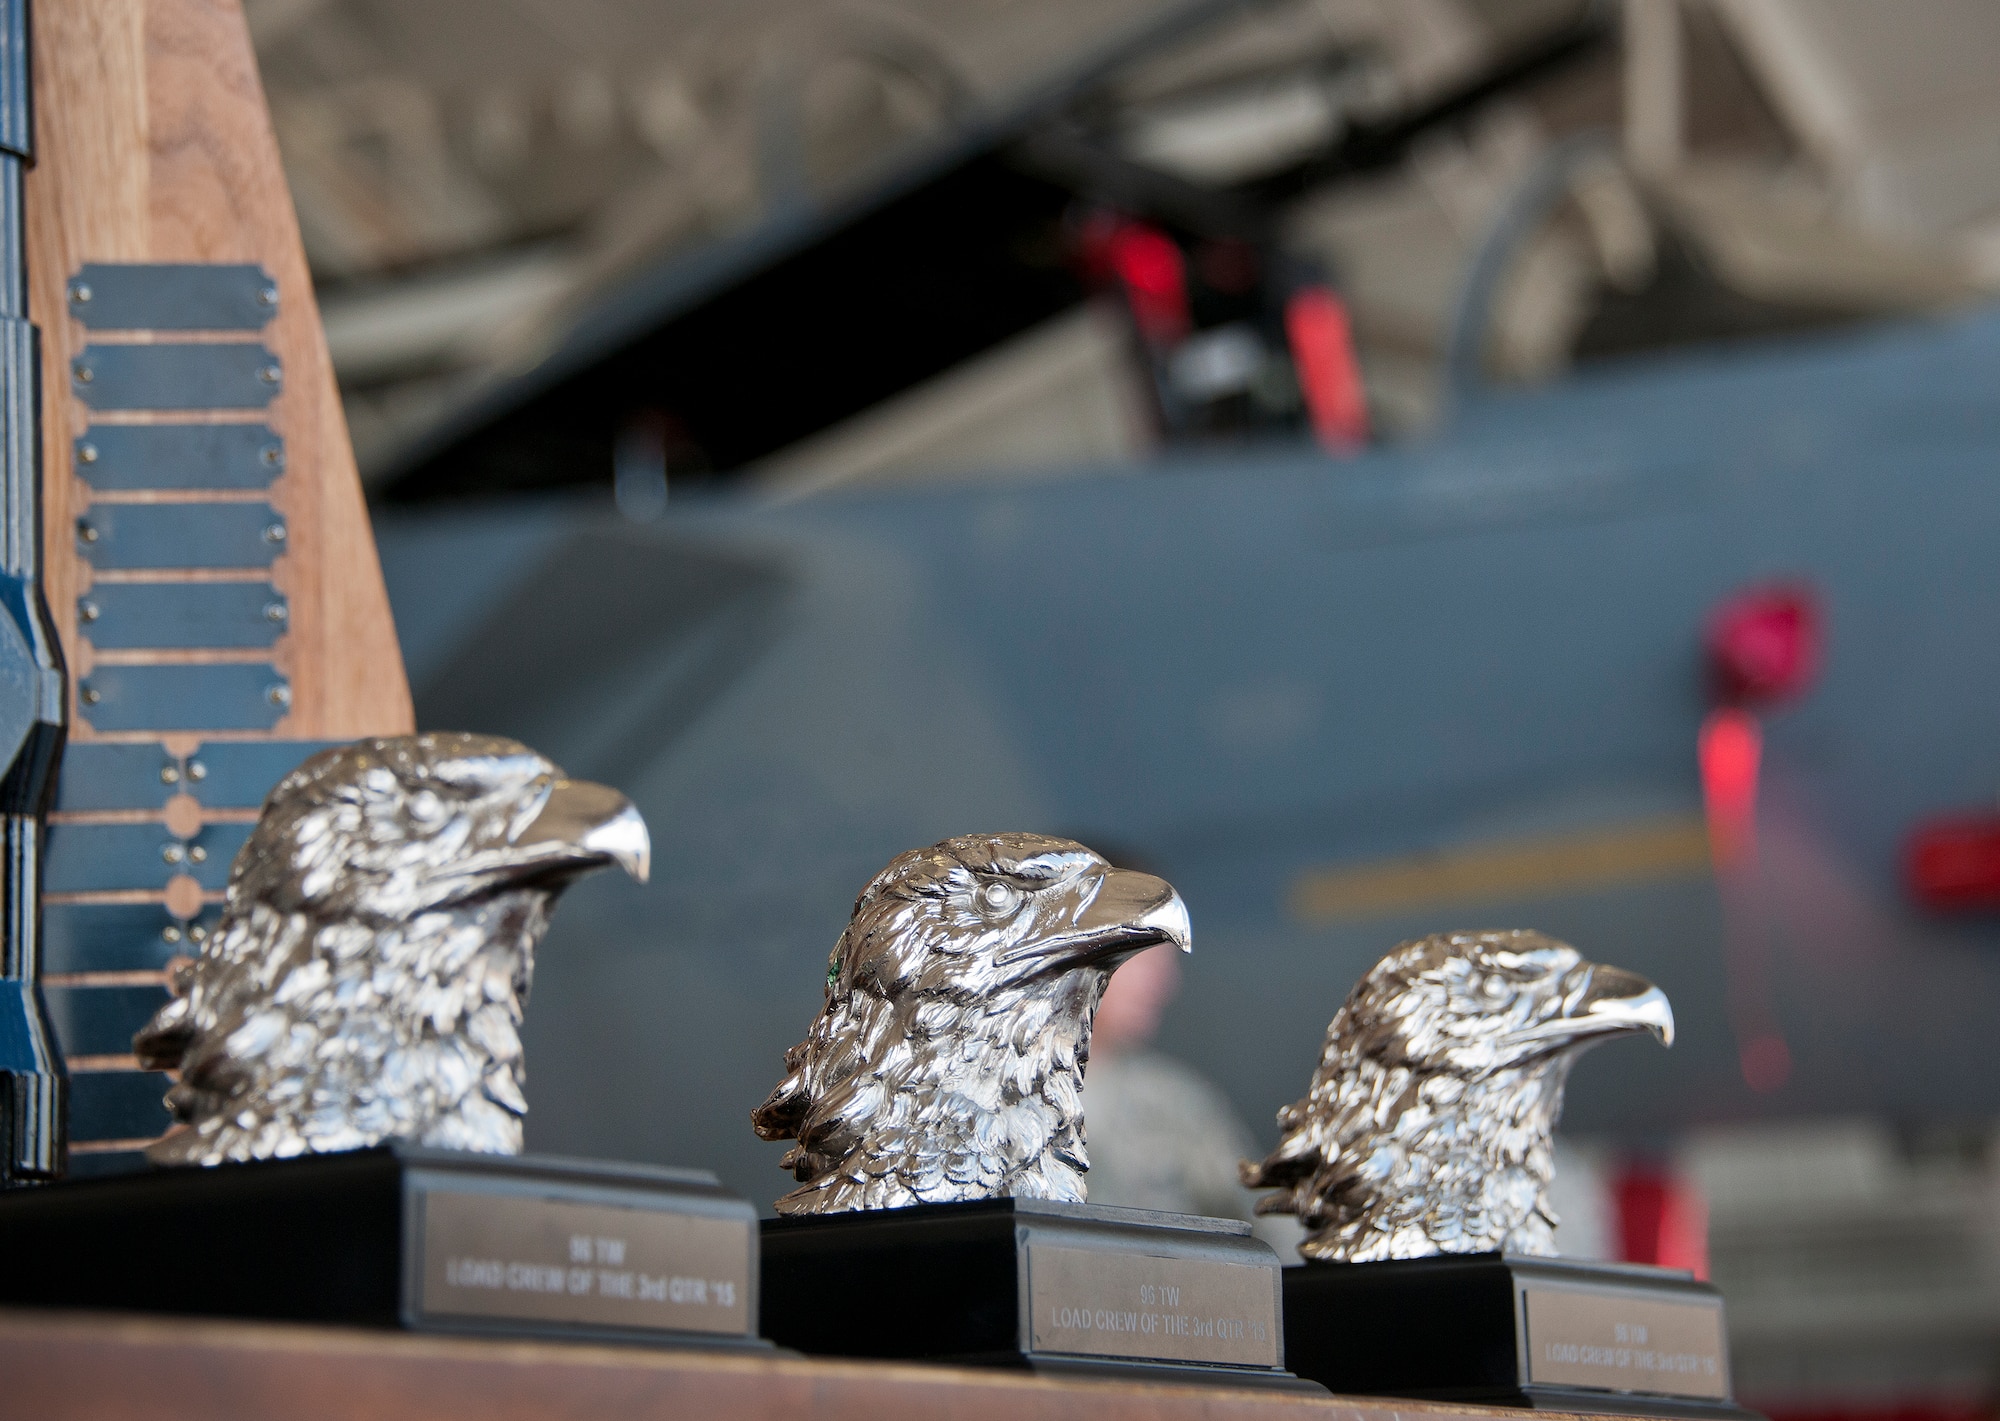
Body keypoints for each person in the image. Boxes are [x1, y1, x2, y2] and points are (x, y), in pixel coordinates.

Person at [1085, 941, 1304, 1260]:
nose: (1164, 983)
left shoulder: (1170, 1101)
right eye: (1143, 960)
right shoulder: (1017, 1098)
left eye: (1163, 965)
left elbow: (1267, 1218)